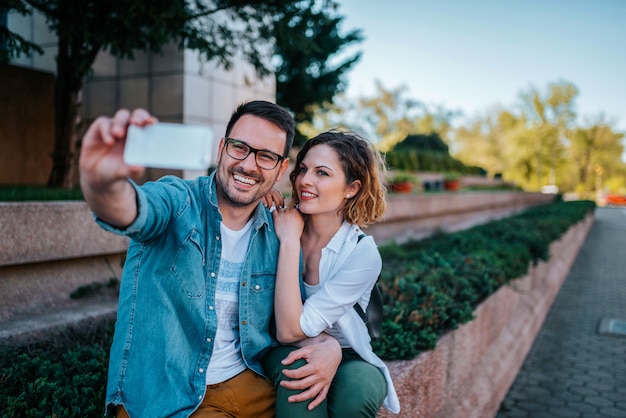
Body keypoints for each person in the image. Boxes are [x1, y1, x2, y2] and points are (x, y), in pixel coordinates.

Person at [78, 101, 343, 418]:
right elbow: (133, 210)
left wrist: (330, 346)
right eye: (240, 148)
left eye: (266, 156)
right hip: (171, 398)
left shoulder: (279, 232)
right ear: (222, 147)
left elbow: (291, 319)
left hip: (248, 382)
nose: (248, 164)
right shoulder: (178, 201)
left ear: (281, 168)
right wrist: (103, 184)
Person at [261, 131, 401, 416]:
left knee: (358, 392)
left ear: (351, 188)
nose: (305, 181)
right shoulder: (279, 224)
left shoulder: (362, 253)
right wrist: (288, 237)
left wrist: (332, 348)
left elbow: (294, 327)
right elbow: (286, 332)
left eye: (322, 173)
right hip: (279, 345)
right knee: (299, 376)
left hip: (350, 353)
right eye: (303, 169)